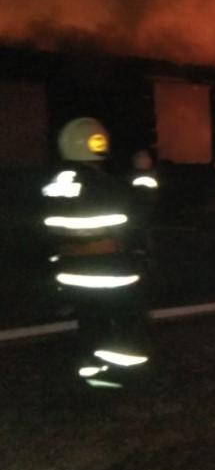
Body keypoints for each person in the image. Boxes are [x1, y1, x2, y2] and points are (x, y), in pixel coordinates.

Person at [41, 117, 150, 389]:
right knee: (126, 321)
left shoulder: (52, 186)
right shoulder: (105, 185)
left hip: (70, 270)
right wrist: (144, 174)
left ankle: (89, 369)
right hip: (110, 269)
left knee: (90, 319)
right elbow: (141, 208)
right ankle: (123, 374)